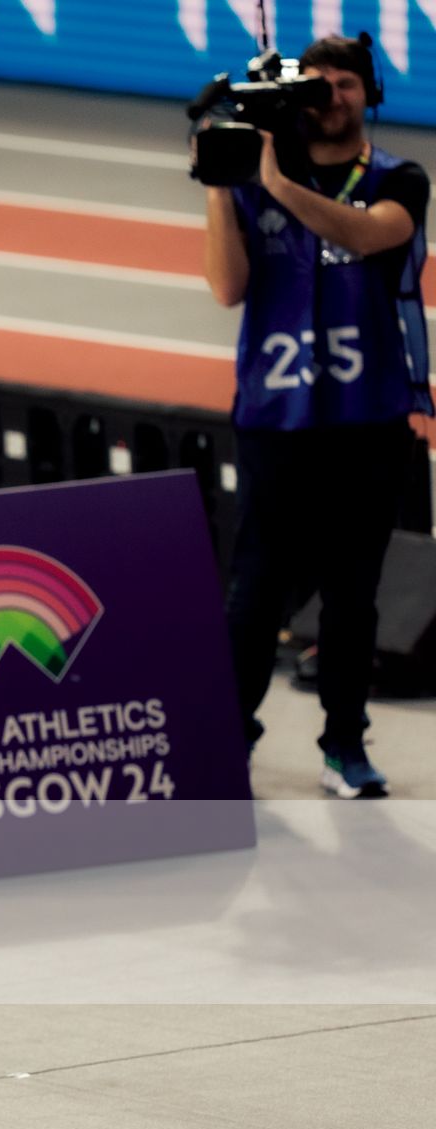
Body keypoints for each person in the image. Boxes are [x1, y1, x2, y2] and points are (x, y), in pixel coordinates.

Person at [201, 33, 429, 798]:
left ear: (370, 96)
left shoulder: (401, 178)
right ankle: (230, 736)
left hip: (367, 419)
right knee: (255, 590)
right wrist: (218, 176)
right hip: (275, 418)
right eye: (318, 85)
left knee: (352, 593)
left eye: (347, 85)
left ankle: (343, 745)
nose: (331, 97)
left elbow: (365, 236)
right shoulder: (252, 183)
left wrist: (273, 177)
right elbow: (227, 287)